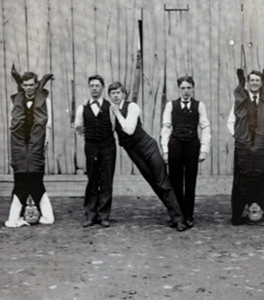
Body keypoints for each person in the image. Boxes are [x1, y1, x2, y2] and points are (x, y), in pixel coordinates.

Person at [108, 81, 187, 232]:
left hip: (147, 146)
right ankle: (175, 215)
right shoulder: (109, 111)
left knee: (162, 181)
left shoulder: (132, 107)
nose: (116, 96)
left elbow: (129, 130)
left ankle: (179, 219)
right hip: (132, 150)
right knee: (154, 183)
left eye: (118, 92)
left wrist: (117, 113)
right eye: (113, 93)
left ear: (123, 94)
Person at [227, 68, 264, 226]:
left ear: (261, 82)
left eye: (258, 80)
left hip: (260, 141)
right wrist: (238, 137)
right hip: (243, 141)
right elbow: (231, 121)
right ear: (249, 83)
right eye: (252, 81)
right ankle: (237, 213)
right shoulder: (241, 101)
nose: (255, 83)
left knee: (260, 173)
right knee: (242, 177)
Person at [5, 71, 55, 227]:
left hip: (36, 141)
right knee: (20, 177)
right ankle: (17, 216)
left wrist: (44, 144)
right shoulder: (16, 101)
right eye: (25, 85)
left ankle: (45, 215)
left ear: (36, 85)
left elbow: (48, 123)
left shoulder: (45, 100)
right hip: (20, 141)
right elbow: (11, 123)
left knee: (35, 177)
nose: (28, 88)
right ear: (21, 86)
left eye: (31, 85)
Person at [161, 75, 211, 228]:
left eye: (189, 88)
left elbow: (205, 127)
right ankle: (177, 216)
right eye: (183, 88)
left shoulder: (199, 106)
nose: (186, 91)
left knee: (190, 181)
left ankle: (188, 215)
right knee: (175, 181)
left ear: (193, 88)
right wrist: (165, 150)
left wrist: (204, 149)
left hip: (192, 146)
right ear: (179, 89)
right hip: (175, 145)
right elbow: (166, 128)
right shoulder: (171, 105)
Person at [74, 75, 116, 228]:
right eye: (92, 86)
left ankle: (104, 215)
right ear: (88, 87)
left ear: (103, 88)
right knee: (92, 179)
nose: (94, 88)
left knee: (106, 180)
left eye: (97, 86)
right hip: (91, 146)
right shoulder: (82, 107)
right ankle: (90, 215)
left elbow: (112, 125)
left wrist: (103, 137)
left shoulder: (110, 106)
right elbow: (78, 127)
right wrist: (91, 136)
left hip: (108, 146)